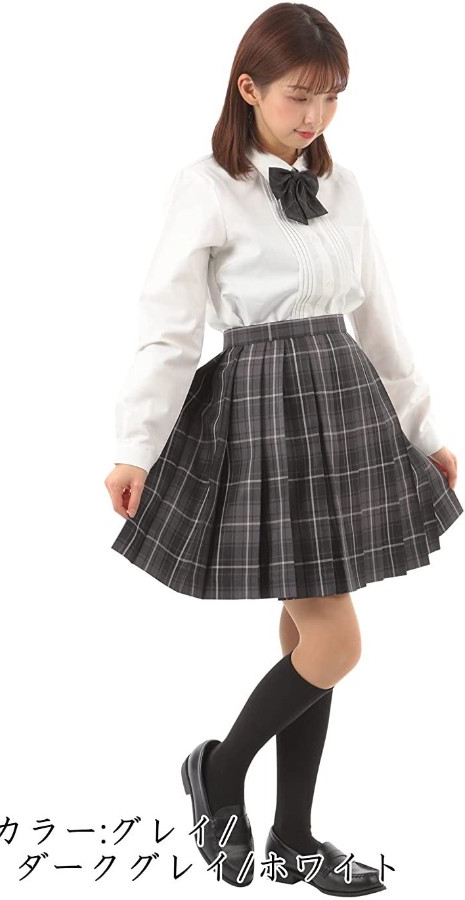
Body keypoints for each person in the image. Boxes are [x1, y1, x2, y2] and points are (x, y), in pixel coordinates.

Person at [104, 2, 463, 892]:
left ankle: (293, 837)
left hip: (345, 404)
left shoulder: (346, 187)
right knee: (334, 643)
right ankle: (218, 773)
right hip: (264, 412)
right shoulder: (204, 186)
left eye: (331, 97)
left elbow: (380, 316)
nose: (315, 115)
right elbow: (167, 328)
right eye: (299, 94)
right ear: (248, 87)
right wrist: (134, 446)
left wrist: (422, 430)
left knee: (309, 632)